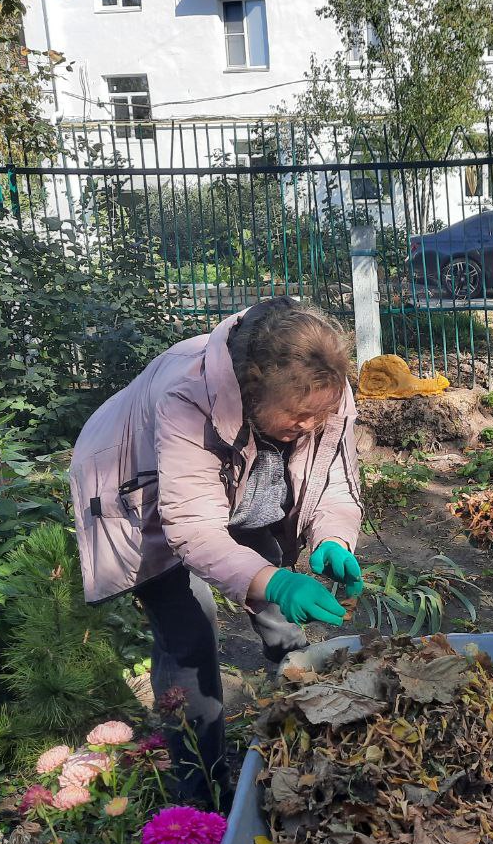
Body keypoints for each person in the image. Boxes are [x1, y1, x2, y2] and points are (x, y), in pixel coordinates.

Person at [68, 296, 364, 805]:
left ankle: (308, 719)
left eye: (320, 414)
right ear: (252, 391)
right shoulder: (190, 397)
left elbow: (334, 477)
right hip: (139, 492)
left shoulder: (322, 387)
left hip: (237, 485)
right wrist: (272, 578)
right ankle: (203, 791)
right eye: (297, 418)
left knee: (276, 606)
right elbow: (195, 530)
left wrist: (332, 537)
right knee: (189, 638)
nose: (311, 427)